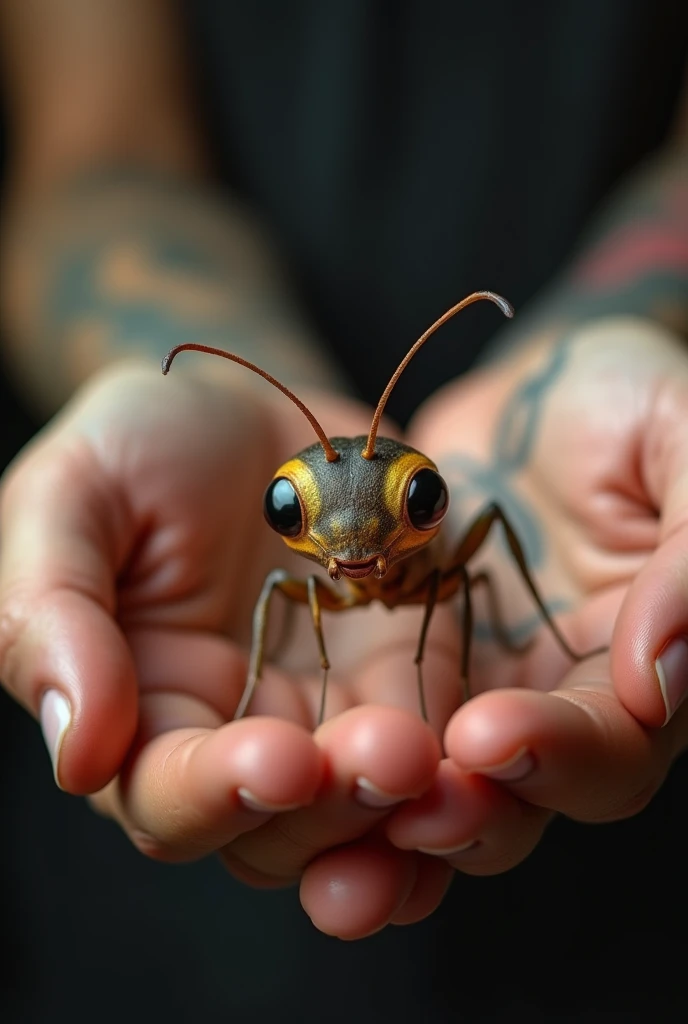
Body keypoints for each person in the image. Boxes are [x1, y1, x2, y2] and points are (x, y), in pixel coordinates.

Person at [2, 1, 688, 1019]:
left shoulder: (452, 550)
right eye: (292, 510)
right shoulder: (297, 576)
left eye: (405, 505)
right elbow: (97, 152)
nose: (348, 551)